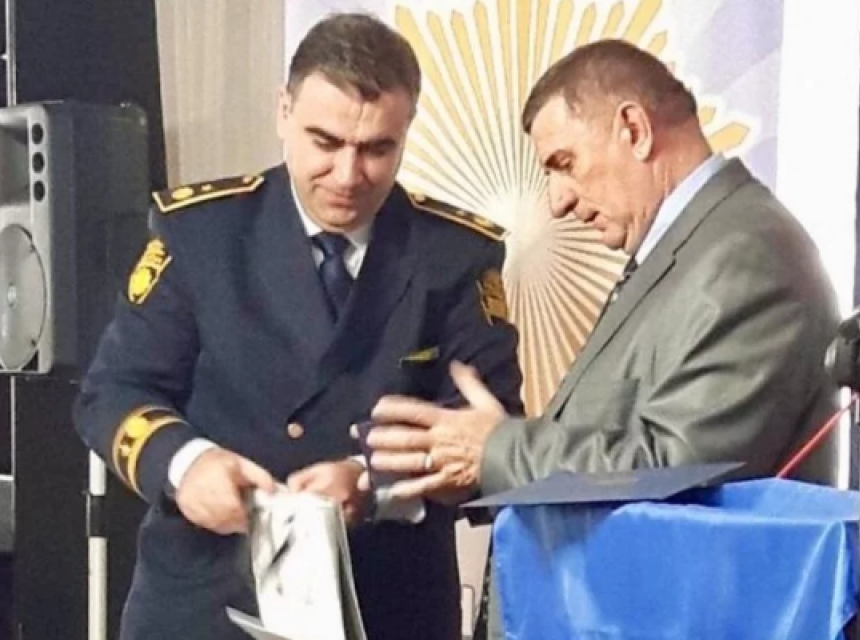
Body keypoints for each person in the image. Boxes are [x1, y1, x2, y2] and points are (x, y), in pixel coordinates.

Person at [73, 12, 523, 640]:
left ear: (407, 131)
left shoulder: (455, 255)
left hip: (387, 603)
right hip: (205, 601)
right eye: (325, 142)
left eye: (377, 149)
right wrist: (186, 464)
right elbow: (114, 392)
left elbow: (489, 432)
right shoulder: (201, 232)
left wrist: (372, 484)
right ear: (283, 111)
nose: (347, 175)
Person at [364, 38, 839, 503]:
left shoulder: (744, 258)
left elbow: (678, 471)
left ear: (634, 129)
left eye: (564, 163)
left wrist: (496, 450)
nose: (557, 202)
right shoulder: (694, 249)